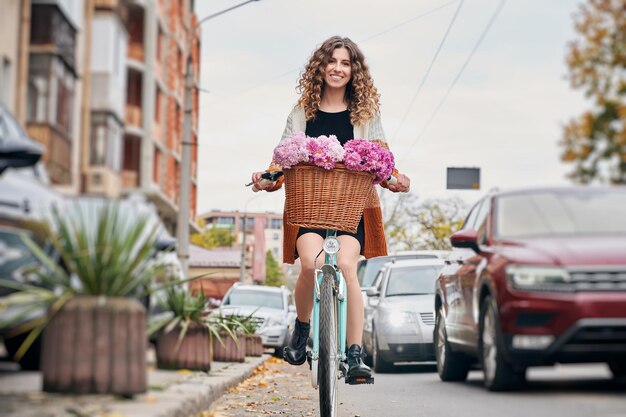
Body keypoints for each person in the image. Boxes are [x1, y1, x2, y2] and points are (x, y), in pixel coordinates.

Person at [251, 36, 410, 381]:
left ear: (354, 71)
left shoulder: (365, 115)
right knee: (310, 263)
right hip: (309, 209)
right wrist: (267, 177)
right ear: (320, 68)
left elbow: (381, 158)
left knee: (348, 268)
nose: (338, 68)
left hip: (352, 210)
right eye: (332, 62)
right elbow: (283, 158)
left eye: (345, 63)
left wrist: (395, 178)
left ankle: (355, 355)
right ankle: (302, 329)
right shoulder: (301, 112)